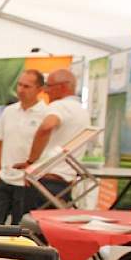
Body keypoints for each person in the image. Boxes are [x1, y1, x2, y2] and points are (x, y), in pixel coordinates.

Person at [13, 69, 90, 212]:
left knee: (30, 230)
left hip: (45, 181)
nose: (46, 91)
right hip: (66, 183)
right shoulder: (82, 111)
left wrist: (31, 162)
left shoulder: (59, 106)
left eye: (49, 86)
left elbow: (47, 126)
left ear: (63, 87)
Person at [0, 70, 49, 225]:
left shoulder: (46, 114)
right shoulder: (9, 111)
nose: (21, 89)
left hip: (28, 183)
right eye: (19, 85)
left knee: (21, 230)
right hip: (4, 179)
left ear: (39, 89)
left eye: (27, 86)